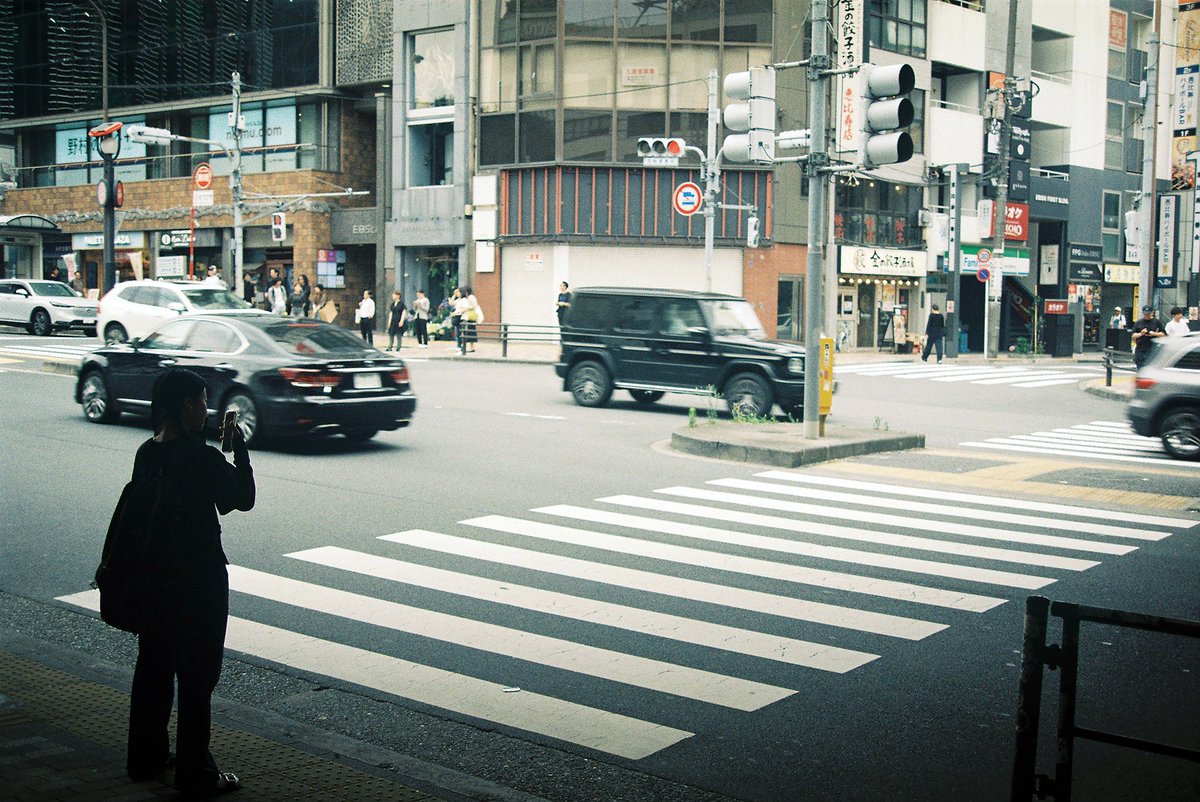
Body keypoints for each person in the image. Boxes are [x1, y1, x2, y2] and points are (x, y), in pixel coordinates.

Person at [125, 368, 254, 795]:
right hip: (199, 581)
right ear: (186, 406)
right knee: (197, 680)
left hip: (154, 579)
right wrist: (238, 451)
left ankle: (146, 757)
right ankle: (197, 774)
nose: (205, 409)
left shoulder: (148, 453)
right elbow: (241, 500)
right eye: (201, 401)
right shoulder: (201, 457)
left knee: (154, 670)